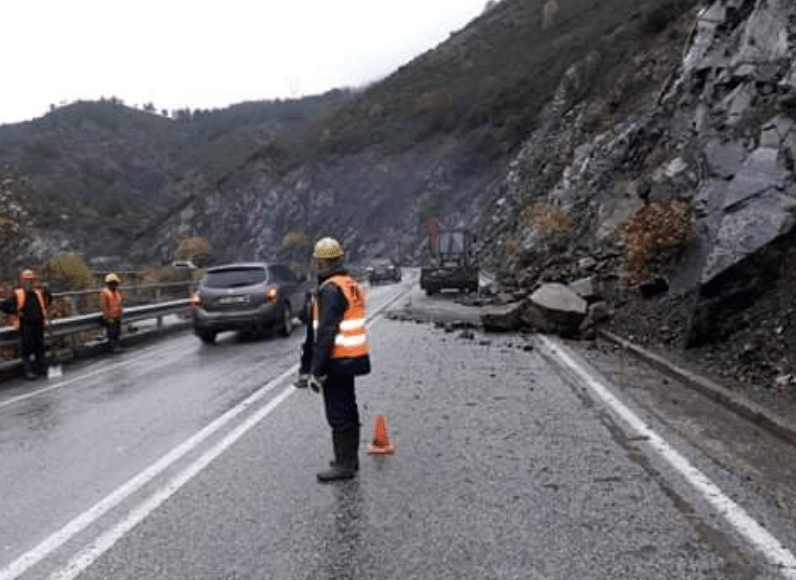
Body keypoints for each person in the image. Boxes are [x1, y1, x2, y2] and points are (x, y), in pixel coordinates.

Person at [296, 237, 371, 482]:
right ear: (339, 258)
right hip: (352, 357)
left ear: (320, 262)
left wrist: (316, 370)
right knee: (348, 407)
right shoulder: (349, 283)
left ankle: (344, 465)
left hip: (337, 359)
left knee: (338, 412)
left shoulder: (330, 289)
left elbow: (325, 332)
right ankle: (350, 459)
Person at [0, 268, 51, 380]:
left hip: (38, 324)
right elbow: (4, 306)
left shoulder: (38, 293)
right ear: (22, 281)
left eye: (32, 280)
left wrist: (47, 292)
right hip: (25, 325)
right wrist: (15, 310)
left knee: (40, 346)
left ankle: (41, 368)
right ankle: (28, 371)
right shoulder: (18, 294)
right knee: (27, 348)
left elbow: (47, 302)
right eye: (27, 280)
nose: (30, 283)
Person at [100, 273, 124, 353]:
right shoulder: (105, 292)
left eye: (116, 283)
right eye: (114, 283)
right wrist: (107, 317)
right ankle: (113, 348)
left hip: (117, 316)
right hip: (110, 318)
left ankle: (117, 346)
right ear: (109, 283)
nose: (116, 284)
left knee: (117, 332)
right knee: (112, 333)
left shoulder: (117, 292)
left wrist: (120, 313)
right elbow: (104, 306)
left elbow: (119, 303)